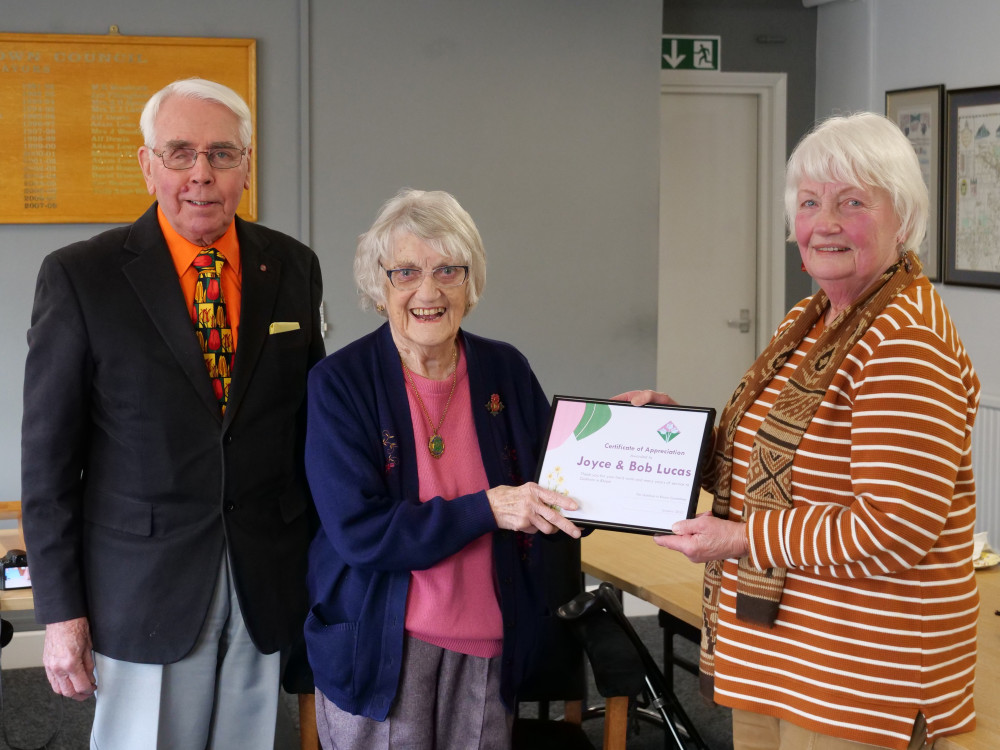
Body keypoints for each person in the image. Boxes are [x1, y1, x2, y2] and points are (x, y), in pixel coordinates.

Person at [623, 112, 980, 750]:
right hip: (784, 660)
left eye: (853, 202)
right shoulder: (812, 319)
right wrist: (671, 440)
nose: (826, 222)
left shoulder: (905, 339)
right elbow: (773, 462)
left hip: (862, 681)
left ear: (902, 214)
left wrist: (740, 538)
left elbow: (894, 528)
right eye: (811, 202)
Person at [21, 77, 325, 749]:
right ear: (147, 163)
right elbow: (47, 464)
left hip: (263, 574)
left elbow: (310, 426)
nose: (201, 174)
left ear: (248, 165)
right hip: (143, 584)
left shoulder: (292, 267)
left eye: (222, 154)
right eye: (181, 152)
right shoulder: (81, 277)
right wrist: (62, 614)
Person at [304, 188, 582, 749]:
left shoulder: (504, 368)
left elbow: (556, 489)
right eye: (405, 272)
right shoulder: (341, 382)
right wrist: (488, 508)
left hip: (488, 640)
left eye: (447, 271)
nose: (427, 292)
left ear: (470, 281)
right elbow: (360, 530)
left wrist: (625, 430)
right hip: (382, 644)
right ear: (378, 286)